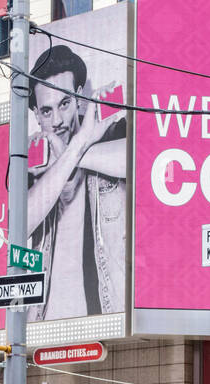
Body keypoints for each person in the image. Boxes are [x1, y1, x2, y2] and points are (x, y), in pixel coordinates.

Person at [27, 44, 126, 322]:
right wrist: (77, 147)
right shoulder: (30, 155)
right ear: (36, 114)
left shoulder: (108, 129)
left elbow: (135, 160)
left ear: (80, 96)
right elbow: (19, 224)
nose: (57, 120)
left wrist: (76, 151)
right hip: (43, 320)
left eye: (65, 104)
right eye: (46, 111)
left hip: (108, 311)